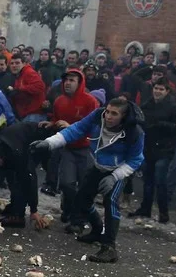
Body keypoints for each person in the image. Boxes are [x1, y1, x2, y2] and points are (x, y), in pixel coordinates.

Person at [31, 97, 144, 263]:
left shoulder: (134, 132)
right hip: (99, 166)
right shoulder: (98, 117)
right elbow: (75, 130)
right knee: (82, 199)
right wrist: (49, 143)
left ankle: (109, 247)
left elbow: (136, 159)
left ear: (124, 117)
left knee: (110, 202)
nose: (108, 116)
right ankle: (97, 230)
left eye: (114, 114)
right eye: (107, 111)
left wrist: (114, 177)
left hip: (119, 170)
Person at [49, 69, 101, 228]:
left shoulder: (90, 102)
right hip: (68, 148)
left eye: (72, 80)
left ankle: (79, 218)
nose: (68, 83)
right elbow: (56, 119)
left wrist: (70, 127)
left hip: (86, 148)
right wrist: (51, 124)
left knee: (84, 185)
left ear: (80, 83)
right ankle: (69, 210)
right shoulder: (59, 101)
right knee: (66, 183)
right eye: (66, 80)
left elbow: (95, 128)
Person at [129, 79, 176, 223]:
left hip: (165, 148)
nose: (157, 91)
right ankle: (145, 208)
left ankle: (163, 213)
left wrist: (160, 124)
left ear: (167, 91)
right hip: (149, 147)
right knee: (148, 180)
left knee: (160, 180)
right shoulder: (147, 104)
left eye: (161, 89)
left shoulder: (174, 107)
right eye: (156, 88)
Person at [8, 56, 47, 122]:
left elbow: (40, 86)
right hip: (27, 114)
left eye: (17, 63)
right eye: (12, 63)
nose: (14, 65)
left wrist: (19, 89)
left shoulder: (28, 72)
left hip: (34, 115)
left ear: (24, 64)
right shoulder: (19, 75)